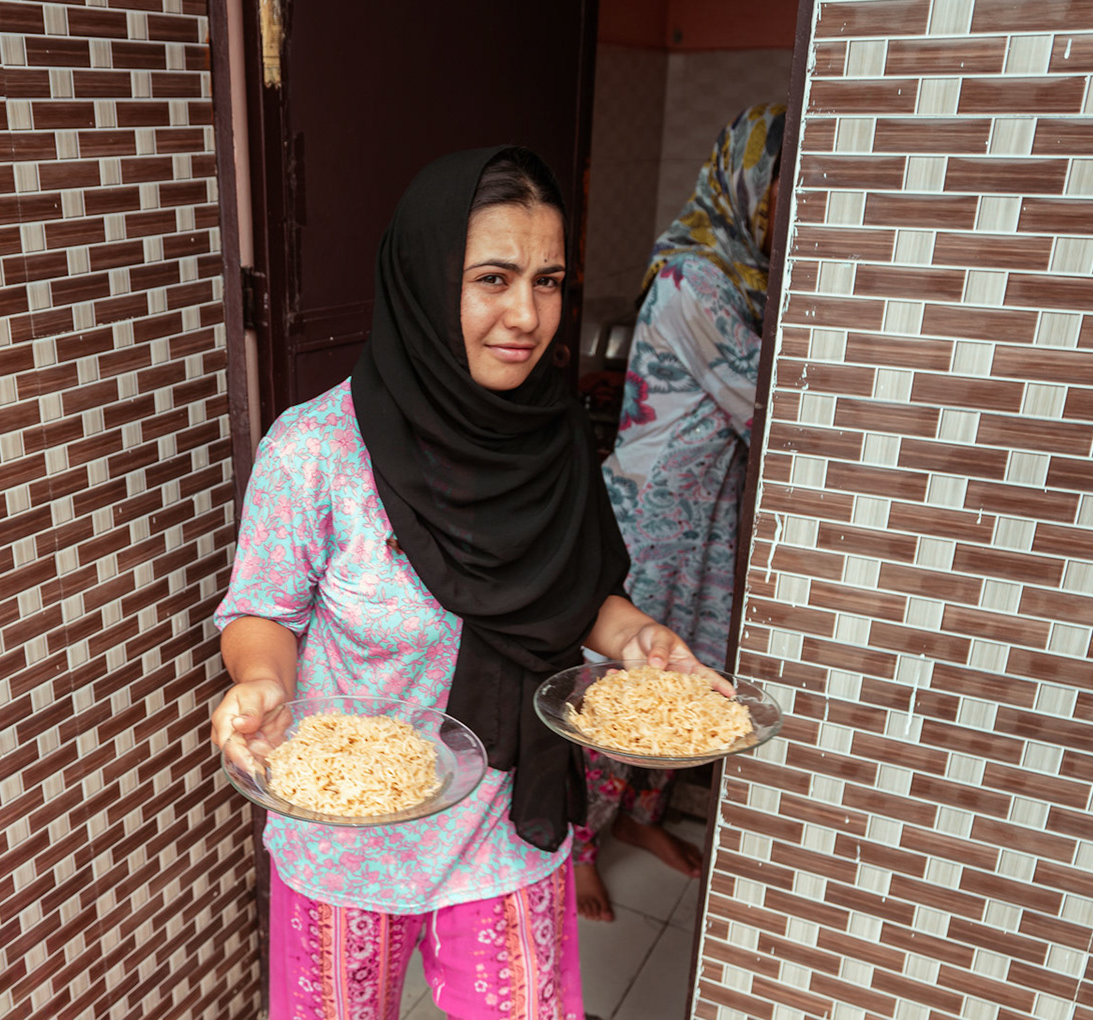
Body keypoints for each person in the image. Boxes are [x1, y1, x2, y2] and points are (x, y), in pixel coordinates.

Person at [208, 146, 719, 1020]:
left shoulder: (552, 436)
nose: (526, 315)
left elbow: (568, 593)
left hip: (503, 821)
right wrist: (261, 680)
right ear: (424, 276)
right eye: (492, 277)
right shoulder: (317, 450)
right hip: (352, 827)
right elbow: (265, 607)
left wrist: (636, 637)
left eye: (549, 280)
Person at [571, 104, 787, 923]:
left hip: (704, 521)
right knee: (623, 691)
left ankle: (638, 814)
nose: (781, 207)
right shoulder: (695, 277)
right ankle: (580, 845)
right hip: (652, 519)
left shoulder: (746, 278)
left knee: (683, 687)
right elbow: (759, 408)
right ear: (744, 182)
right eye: (776, 188)